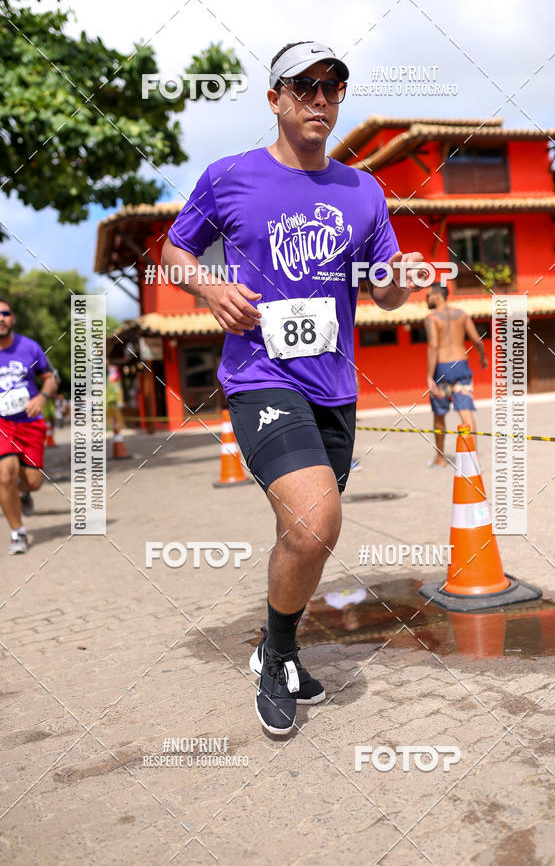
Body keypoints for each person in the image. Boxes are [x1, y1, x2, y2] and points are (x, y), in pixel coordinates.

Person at [162, 41, 425, 735]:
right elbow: (175, 250)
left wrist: (398, 281)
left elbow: (391, 292)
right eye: (303, 86)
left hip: (334, 388)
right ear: (274, 98)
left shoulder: (363, 191)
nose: (319, 99)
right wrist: (210, 287)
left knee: (302, 535)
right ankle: (278, 655)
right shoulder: (229, 177)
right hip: (260, 377)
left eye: (332, 88)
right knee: (316, 523)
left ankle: (275, 646)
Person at [0, 298, 58, 553]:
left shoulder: (30, 347)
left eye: (5, 313)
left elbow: (50, 379)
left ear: (13, 318)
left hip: (30, 422)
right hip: (2, 423)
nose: (0, 318)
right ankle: (18, 533)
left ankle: (23, 494)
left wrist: (42, 397)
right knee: (5, 474)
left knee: (33, 481)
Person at [424, 282, 488, 467]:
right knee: (466, 413)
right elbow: (477, 340)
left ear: (437, 296)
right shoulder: (462, 314)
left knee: (439, 416)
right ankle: (472, 459)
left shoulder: (432, 318)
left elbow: (434, 346)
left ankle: (440, 458)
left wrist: (429, 376)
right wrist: (483, 358)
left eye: (428, 295)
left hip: (442, 370)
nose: (426, 299)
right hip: (461, 368)